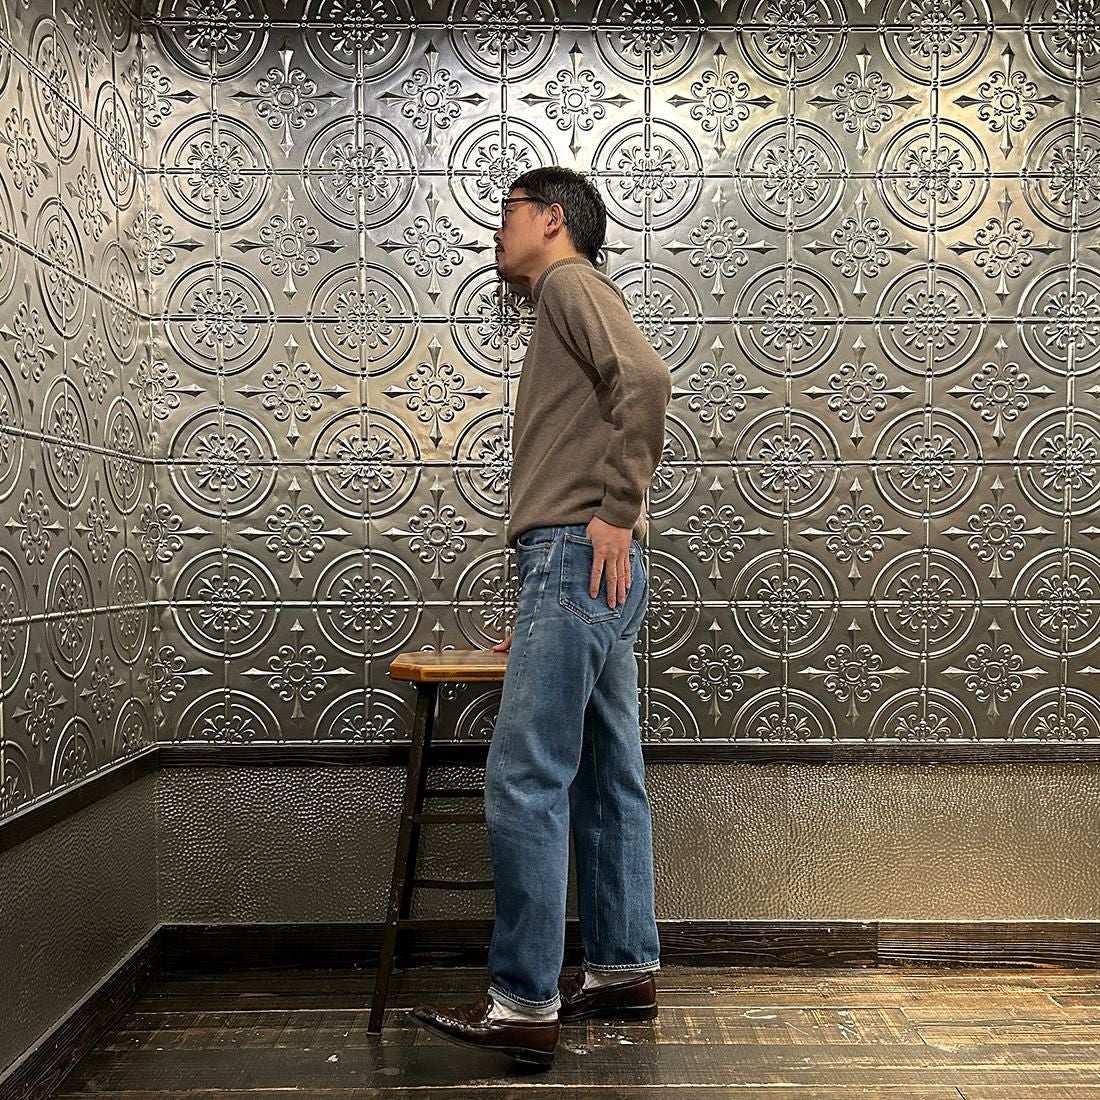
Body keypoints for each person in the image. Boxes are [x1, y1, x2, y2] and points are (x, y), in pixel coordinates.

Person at [411, 167, 672, 1068]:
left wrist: (613, 514)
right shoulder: (571, 294)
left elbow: (646, 380)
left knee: (524, 777)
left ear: (552, 220)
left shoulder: (568, 281)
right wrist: (549, 602)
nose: (498, 230)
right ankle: (623, 967)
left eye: (508, 213)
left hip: (577, 553)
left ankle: (522, 1003)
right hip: (583, 574)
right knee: (608, 776)